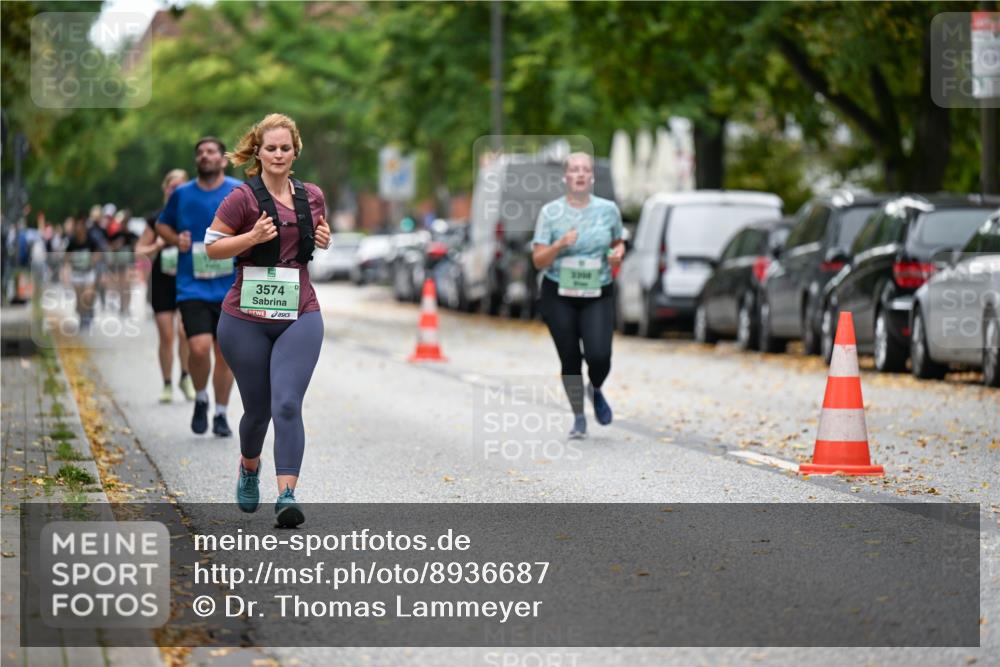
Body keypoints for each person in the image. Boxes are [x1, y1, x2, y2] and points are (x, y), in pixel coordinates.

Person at [205, 113, 330, 528]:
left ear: (296, 151)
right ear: (258, 152)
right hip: (244, 319)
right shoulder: (242, 198)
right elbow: (213, 248)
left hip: (300, 312)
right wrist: (252, 238)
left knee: (288, 404)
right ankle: (249, 466)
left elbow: (317, 234)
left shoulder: (311, 195)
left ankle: (287, 494)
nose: (278, 154)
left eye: (285, 147)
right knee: (257, 412)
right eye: (270, 148)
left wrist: (324, 237)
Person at [531, 152, 625, 440]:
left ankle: (595, 387)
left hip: (597, 290)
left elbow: (617, 243)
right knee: (570, 357)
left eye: (585, 169)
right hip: (558, 291)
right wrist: (560, 243)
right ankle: (578, 416)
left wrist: (617, 255)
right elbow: (538, 260)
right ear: (566, 177)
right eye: (574, 169)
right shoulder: (550, 213)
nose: (580, 174)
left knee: (599, 355)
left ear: (592, 177)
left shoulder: (608, 210)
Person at [156, 137, 240, 437]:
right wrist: (174, 238)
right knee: (199, 347)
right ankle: (201, 397)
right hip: (192, 286)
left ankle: (220, 413)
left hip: (231, 286)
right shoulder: (181, 193)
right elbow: (162, 224)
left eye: (211, 152)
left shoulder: (237, 191)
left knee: (226, 353)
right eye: (200, 153)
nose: (205, 156)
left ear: (223, 159)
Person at [135, 169, 195, 403]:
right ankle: (167, 383)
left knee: (185, 332)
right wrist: (158, 245)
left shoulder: (192, 215)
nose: (176, 191)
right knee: (167, 336)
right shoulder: (157, 218)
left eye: (181, 187)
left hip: (187, 280)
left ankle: (185, 376)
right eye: (173, 187)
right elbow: (139, 251)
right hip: (161, 282)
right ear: (166, 190)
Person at [63, 216, 105, 330]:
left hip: (88, 272)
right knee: (79, 300)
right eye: (77, 225)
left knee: (87, 296)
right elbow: (66, 257)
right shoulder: (72, 242)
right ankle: (82, 316)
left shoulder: (91, 240)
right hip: (76, 273)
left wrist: (93, 260)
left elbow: (99, 253)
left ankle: (88, 314)